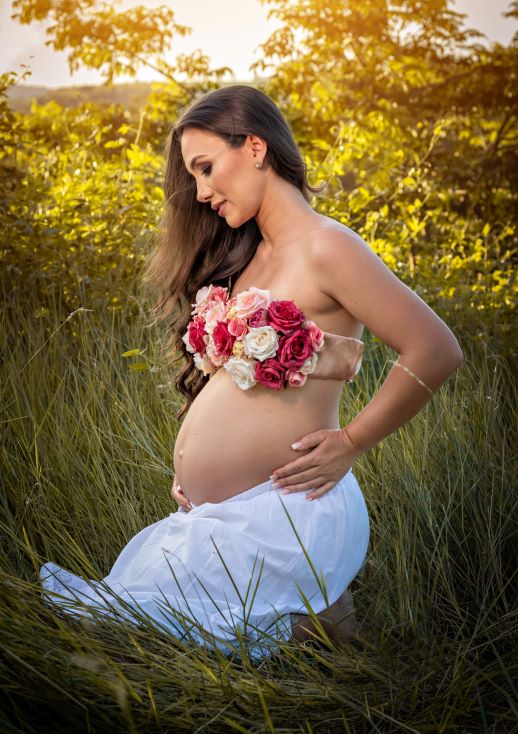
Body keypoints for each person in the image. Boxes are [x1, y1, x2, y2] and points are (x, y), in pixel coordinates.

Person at [40, 84, 463, 658]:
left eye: (206, 167)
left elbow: (435, 349)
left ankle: (327, 635)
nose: (201, 191)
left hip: (288, 507)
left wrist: (351, 442)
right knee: (112, 623)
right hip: (231, 512)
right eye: (193, 177)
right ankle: (331, 630)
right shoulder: (251, 257)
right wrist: (200, 472)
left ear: (256, 148)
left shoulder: (327, 247)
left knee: (136, 639)